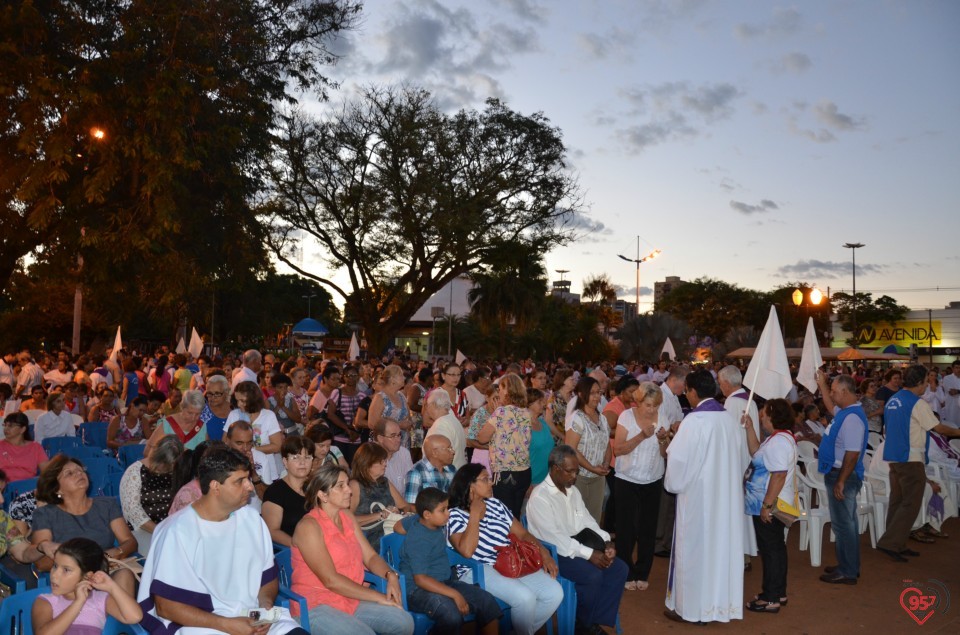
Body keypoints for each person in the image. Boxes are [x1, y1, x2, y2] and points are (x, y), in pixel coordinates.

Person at [138, 446, 307, 635]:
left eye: (248, 479)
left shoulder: (251, 520)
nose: (250, 487)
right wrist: (228, 625)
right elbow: (166, 607)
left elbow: (267, 577)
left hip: (249, 616)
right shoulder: (177, 531)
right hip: (204, 625)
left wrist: (264, 609)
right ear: (215, 486)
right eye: (240, 481)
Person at [290, 464, 414, 635]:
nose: (349, 490)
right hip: (316, 604)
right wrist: (379, 597)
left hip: (349, 597)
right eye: (341, 486)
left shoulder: (346, 516)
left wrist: (390, 575)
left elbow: (370, 557)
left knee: (404, 622)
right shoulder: (309, 527)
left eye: (347, 483)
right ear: (322, 494)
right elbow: (331, 580)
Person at [663, 369, 744, 624]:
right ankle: (718, 606)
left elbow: (678, 463)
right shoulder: (728, 419)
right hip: (725, 499)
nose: (686, 394)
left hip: (699, 501)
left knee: (695, 552)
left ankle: (693, 610)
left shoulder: (694, 422)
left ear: (694, 391)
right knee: (719, 552)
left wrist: (674, 476)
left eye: (687, 390)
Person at [446, 462, 562, 635]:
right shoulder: (454, 514)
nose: (491, 483)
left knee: (554, 593)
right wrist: (475, 514)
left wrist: (544, 554)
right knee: (525, 598)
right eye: (485, 479)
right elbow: (467, 551)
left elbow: (522, 534)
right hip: (477, 569)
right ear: (470, 485)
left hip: (509, 561)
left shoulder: (495, 505)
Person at [527, 445, 628, 634]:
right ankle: (582, 626)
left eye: (576, 471)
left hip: (577, 545)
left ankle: (592, 621)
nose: (574, 476)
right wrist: (590, 554)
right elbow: (555, 539)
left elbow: (586, 520)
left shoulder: (572, 491)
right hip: (553, 553)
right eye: (570, 471)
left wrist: (605, 541)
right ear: (555, 468)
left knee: (619, 569)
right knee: (591, 575)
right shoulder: (540, 497)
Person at [877, 365, 960, 561]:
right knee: (910, 504)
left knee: (897, 502)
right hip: (910, 459)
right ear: (920, 382)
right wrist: (958, 432)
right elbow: (938, 428)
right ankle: (890, 544)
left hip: (895, 457)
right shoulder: (917, 403)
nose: (927, 385)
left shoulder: (893, 400)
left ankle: (897, 542)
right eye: (926, 381)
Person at [25, 456, 138, 595]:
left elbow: (130, 542)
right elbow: (41, 563)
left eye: (80, 470)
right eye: (69, 473)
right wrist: (84, 565)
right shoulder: (45, 514)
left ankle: (117, 616)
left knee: (124, 575)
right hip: (71, 578)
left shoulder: (106, 504)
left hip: (108, 570)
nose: (79, 473)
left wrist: (114, 553)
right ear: (57, 489)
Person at [395, 487, 502, 635]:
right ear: (427, 514)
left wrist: (415, 519)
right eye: (443, 510)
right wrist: (455, 594)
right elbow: (420, 579)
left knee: (486, 600)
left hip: (442, 581)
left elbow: (397, 527)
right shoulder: (418, 539)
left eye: (447, 508)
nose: (448, 514)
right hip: (416, 589)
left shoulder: (425, 521)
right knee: (450, 614)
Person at [742, 398, 798, 613]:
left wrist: (766, 505)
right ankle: (778, 592)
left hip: (771, 504)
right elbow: (756, 452)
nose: (761, 417)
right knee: (775, 549)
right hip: (772, 502)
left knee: (771, 551)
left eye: (763, 414)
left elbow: (779, 475)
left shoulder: (778, 442)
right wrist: (749, 428)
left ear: (772, 416)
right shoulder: (777, 439)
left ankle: (771, 597)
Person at [814, 371, 869, 584]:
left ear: (845, 392)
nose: (833, 395)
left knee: (844, 525)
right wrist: (822, 386)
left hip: (843, 475)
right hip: (839, 473)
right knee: (845, 524)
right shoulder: (847, 412)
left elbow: (853, 454)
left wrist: (841, 480)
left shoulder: (852, 418)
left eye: (835, 392)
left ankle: (848, 571)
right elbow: (830, 406)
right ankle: (848, 565)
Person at [613, 382, 668, 591]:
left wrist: (663, 440)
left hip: (652, 480)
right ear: (639, 401)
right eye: (647, 405)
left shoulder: (663, 419)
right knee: (626, 528)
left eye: (655, 405)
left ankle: (643, 572)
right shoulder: (626, 417)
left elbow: (664, 454)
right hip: (627, 479)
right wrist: (641, 436)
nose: (652, 410)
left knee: (648, 529)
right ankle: (626, 572)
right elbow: (618, 449)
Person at [32, 537, 143, 633]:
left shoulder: (100, 600)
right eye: (55, 566)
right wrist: (78, 603)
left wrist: (112, 586)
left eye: (66, 570)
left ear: (87, 576)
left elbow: (135, 616)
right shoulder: (46, 601)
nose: (54, 575)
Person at [475, 373, 531, 518]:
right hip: (524, 471)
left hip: (505, 473)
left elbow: (482, 437)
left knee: (504, 517)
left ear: (508, 390)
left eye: (500, 388)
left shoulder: (501, 412)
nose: (498, 391)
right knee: (516, 515)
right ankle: (518, 541)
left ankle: (507, 541)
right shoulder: (526, 412)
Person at [119, 434, 183, 556]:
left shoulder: (177, 471)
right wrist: (161, 531)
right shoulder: (135, 472)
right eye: (163, 464)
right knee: (166, 554)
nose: (166, 469)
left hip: (173, 529)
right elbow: (133, 513)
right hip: (144, 530)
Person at [349, 442, 413, 551]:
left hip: (390, 533)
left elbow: (404, 506)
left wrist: (400, 512)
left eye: (385, 460)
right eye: (381, 461)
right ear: (367, 463)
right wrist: (381, 515)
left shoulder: (385, 482)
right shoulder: (355, 485)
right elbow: (346, 519)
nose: (385, 464)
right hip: (369, 540)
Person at [564, 377, 610, 523]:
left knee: (594, 520)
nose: (597, 396)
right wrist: (591, 468)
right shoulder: (576, 418)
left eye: (599, 392)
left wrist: (606, 464)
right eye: (593, 393)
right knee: (578, 521)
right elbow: (571, 449)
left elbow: (607, 444)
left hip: (598, 478)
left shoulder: (602, 418)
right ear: (582, 395)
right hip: (579, 477)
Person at [654, 365, 688, 558]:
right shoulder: (661, 396)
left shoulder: (673, 397)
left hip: (673, 451)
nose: (684, 389)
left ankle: (665, 540)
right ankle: (659, 542)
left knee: (670, 499)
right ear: (675, 379)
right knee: (665, 500)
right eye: (684, 385)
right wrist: (675, 427)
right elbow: (661, 426)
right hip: (665, 451)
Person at [263, 435, 316, 547]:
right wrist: (300, 546)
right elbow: (272, 531)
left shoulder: (317, 487)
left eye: (307, 457)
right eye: (295, 458)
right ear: (285, 462)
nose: (302, 462)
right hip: (292, 549)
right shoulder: (275, 492)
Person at [226, 381, 283, 483]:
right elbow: (226, 442)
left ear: (253, 400)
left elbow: (276, 446)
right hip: (239, 469)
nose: (239, 404)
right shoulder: (234, 415)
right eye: (237, 400)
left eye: (243, 401)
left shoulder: (268, 416)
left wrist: (251, 450)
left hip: (267, 469)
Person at [403, 434, 457, 504]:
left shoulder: (451, 469)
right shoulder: (416, 473)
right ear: (435, 453)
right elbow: (411, 506)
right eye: (448, 448)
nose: (453, 452)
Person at [424, 388, 467, 469]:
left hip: (446, 476)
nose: (427, 409)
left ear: (433, 405)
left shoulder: (441, 424)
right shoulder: (452, 419)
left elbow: (439, 457)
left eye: (427, 405)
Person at [1, 411, 49, 481]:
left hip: (27, 488)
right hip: (3, 488)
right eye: (5, 425)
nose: (6, 428)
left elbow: (48, 472)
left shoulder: (35, 447)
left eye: (10, 426)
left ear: (22, 429)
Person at [372, 419, 413, 493]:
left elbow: (411, 483)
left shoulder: (404, 453)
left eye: (399, 435)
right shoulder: (370, 457)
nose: (398, 440)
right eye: (393, 436)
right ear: (380, 439)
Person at [527, 388, 555, 487]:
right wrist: (528, 484)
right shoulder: (525, 427)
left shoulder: (543, 423)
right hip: (532, 482)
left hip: (549, 480)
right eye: (539, 402)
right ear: (529, 404)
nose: (543, 404)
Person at [199, 374, 232, 441]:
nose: (213, 397)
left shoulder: (235, 410)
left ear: (226, 392)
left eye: (217, 393)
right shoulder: (203, 413)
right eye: (209, 393)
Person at [941, 361, 960, 426]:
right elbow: (952, 392)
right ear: (952, 369)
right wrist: (957, 391)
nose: (958, 369)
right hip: (952, 407)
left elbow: (956, 391)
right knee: (952, 426)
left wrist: (958, 391)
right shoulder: (947, 378)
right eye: (956, 367)